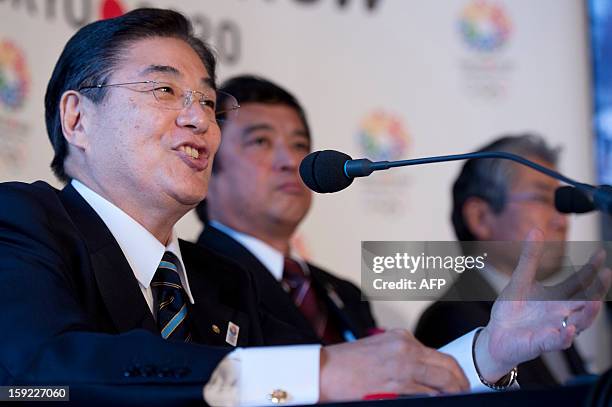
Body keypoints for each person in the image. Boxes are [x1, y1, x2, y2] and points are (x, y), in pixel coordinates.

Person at [0, 8, 609, 406]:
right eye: (163, 90)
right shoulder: (23, 224)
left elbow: (348, 385)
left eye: (208, 102)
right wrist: (319, 373)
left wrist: (487, 352)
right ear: (77, 118)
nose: (197, 119)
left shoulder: (218, 279)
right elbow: (37, 378)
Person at [196, 75, 377, 346]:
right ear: (206, 164)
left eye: (299, 145)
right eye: (260, 142)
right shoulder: (192, 282)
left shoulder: (345, 293)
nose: (291, 161)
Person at [415, 134, 591, 388]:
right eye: (542, 199)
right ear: (481, 217)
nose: (562, 220)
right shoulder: (450, 319)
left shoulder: (550, 311)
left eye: (562, 203)